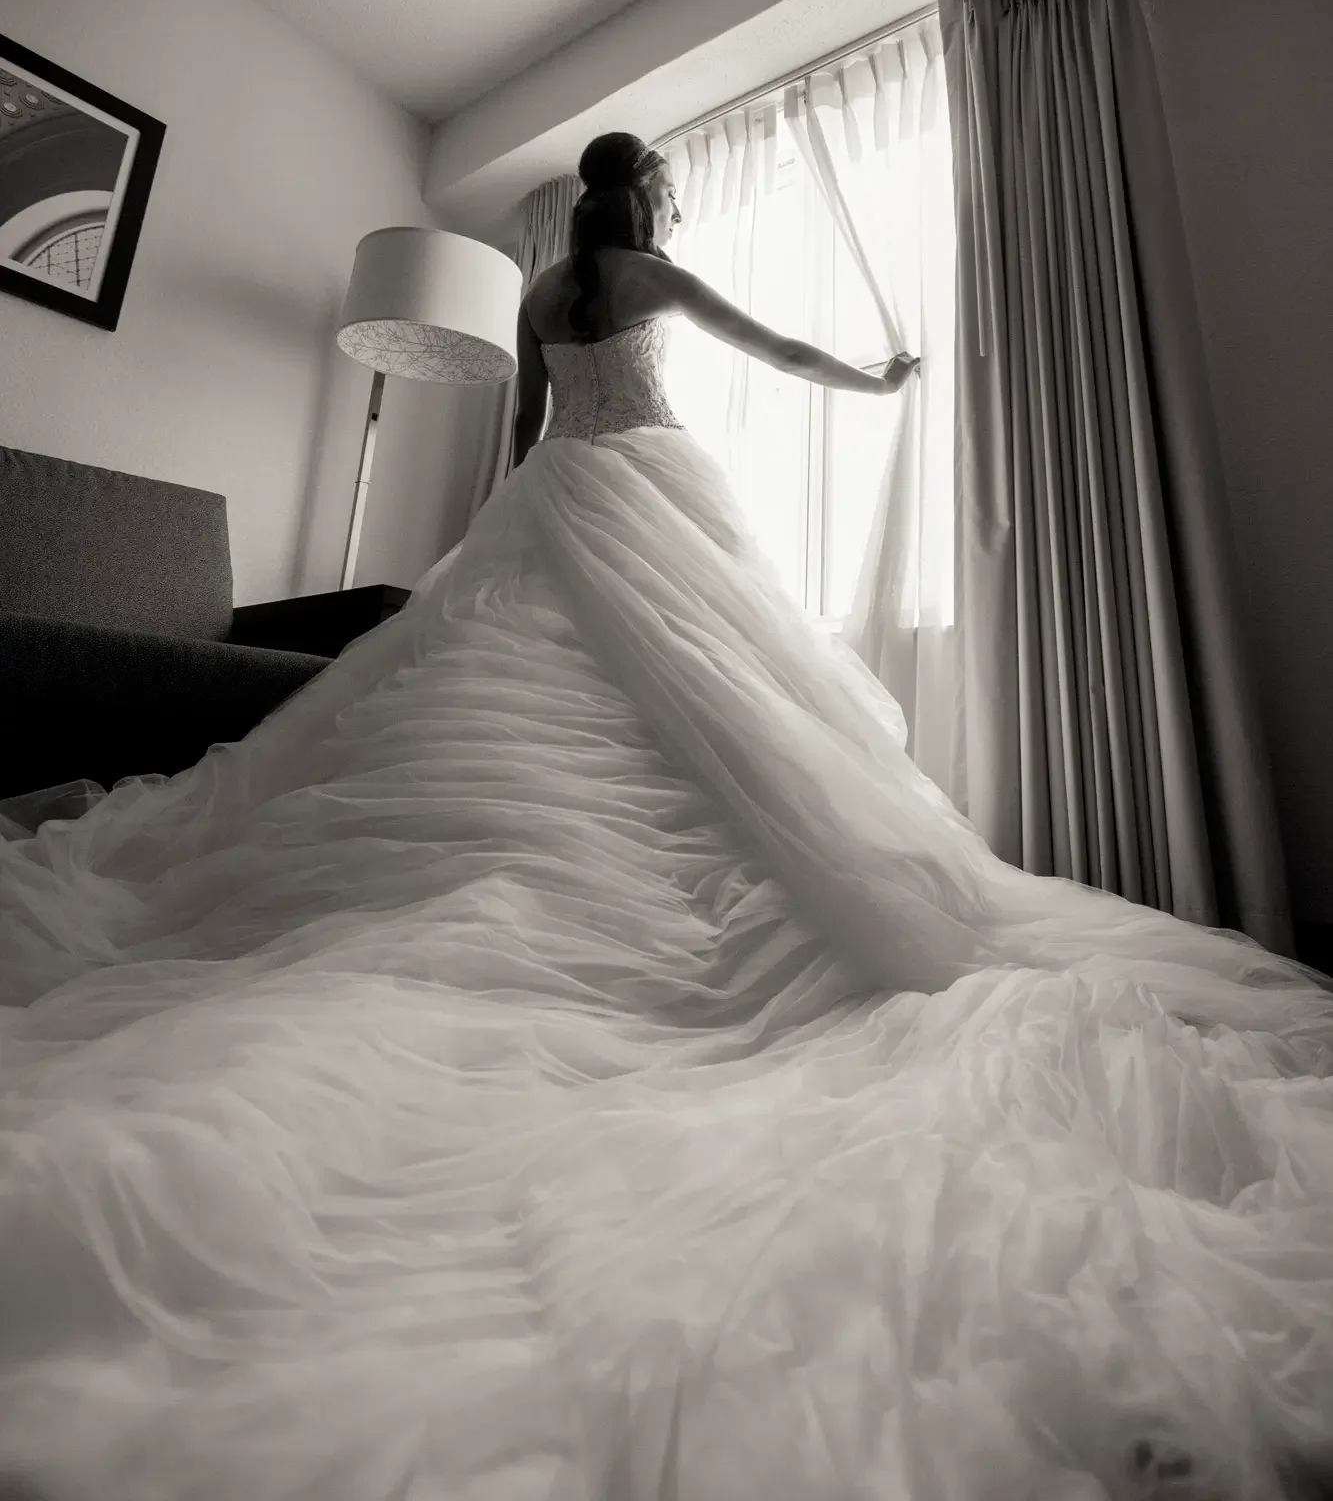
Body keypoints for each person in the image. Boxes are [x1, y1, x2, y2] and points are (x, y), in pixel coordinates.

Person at [0, 130, 1330, 1501]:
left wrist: (512, 526)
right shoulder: (652, 275)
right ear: (647, 198)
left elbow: (525, 437)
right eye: (672, 197)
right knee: (711, 718)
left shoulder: (539, 293)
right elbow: (777, 349)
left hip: (553, 503)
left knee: (522, 704)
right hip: (645, 489)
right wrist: (876, 379)